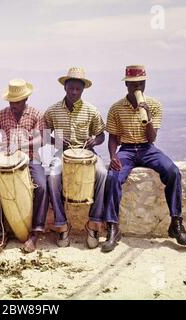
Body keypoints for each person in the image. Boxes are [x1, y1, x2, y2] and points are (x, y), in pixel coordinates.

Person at [103, 65, 186, 252]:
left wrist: (148, 117)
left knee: (173, 172)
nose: (137, 88)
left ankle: (176, 223)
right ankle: (113, 227)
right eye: (134, 84)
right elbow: (112, 136)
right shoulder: (116, 108)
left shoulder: (154, 105)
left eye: (141, 84)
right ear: (126, 85)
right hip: (126, 149)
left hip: (147, 148)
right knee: (112, 177)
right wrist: (113, 156)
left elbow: (152, 138)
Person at [44, 67, 107, 249]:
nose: (74, 92)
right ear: (65, 87)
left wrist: (95, 140)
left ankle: (94, 223)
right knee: (53, 177)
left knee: (103, 174)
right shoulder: (53, 111)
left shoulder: (91, 110)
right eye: (71, 88)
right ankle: (62, 224)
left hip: (87, 154)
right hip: (62, 154)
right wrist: (56, 140)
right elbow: (44, 133)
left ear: (83, 90)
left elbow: (101, 135)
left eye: (77, 89)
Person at [0, 79, 49, 253]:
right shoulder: (1, 115)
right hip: (6, 160)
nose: (13, 105)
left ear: (25, 100)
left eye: (17, 101)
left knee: (42, 187)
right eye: (11, 101)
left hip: (30, 158)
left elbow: (42, 139)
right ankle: (0, 233)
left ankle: (35, 233)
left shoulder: (36, 114)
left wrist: (21, 145)